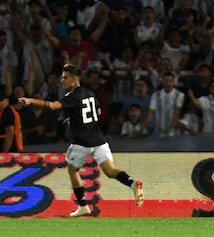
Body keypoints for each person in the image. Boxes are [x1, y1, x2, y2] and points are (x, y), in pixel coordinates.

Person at [18, 63, 144, 217]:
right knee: (110, 171)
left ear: (73, 78)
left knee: (72, 170)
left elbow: (53, 106)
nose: (62, 81)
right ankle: (132, 183)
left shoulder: (72, 96)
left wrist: (31, 101)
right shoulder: (89, 93)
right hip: (99, 140)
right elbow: (97, 111)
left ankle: (83, 206)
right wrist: (75, 118)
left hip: (82, 143)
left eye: (65, 78)